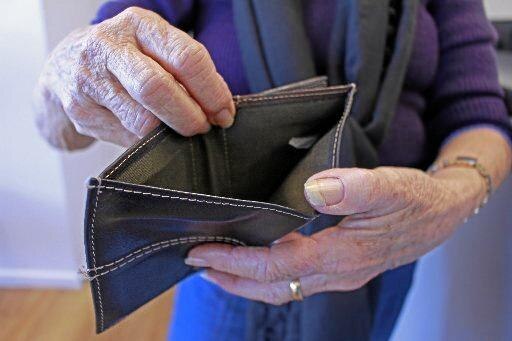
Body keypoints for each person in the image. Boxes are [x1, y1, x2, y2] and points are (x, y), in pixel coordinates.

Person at [34, 0, 512, 340]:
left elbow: (479, 116)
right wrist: (66, 73)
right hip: (222, 268)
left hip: (380, 260)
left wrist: (453, 195)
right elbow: (69, 114)